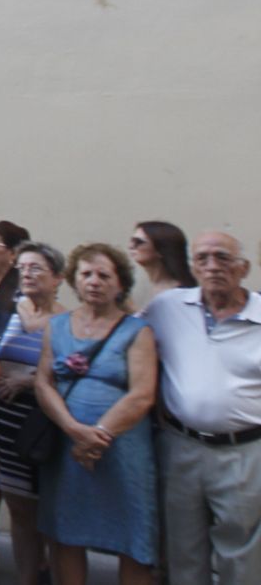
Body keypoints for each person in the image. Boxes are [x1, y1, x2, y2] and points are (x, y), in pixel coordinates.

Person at [33, 243, 158, 583]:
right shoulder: (56, 326)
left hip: (123, 451)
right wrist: (75, 430)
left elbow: (142, 395)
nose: (94, 281)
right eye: (86, 274)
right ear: (74, 280)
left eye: (105, 275)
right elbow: (44, 383)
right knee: (66, 534)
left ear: (120, 284)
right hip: (67, 448)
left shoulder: (137, 331)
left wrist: (95, 436)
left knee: (132, 536)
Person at [143, 231, 261, 585]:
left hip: (244, 451)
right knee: (183, 548)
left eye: (222, 258)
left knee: (240, 553)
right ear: (193, 266)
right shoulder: (168, 307)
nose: (212, 267)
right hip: (181, 447)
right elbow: (125, 340)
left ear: (243, 268)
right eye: (203, 258)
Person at [0, 242, 67, 585]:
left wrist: (27, 380)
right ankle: (27, 576)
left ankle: (50, 570)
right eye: (22, 268)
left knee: (48, 512)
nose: (27, 274)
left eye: (36, 268)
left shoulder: (65, 321)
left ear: (57, 278)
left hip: (41, 425)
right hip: (4, 424)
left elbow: (70, 370)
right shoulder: (7, 311)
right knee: (18, 510)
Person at [127, 220, 195, 308]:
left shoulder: (182, 293)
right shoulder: (137, 288)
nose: (131, 246)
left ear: (161, 249)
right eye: (131, 241)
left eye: (139, 242)